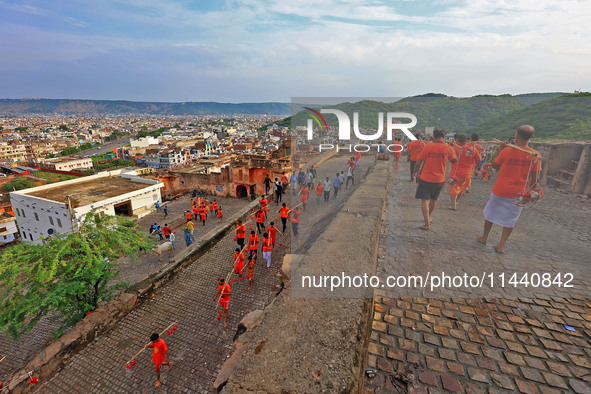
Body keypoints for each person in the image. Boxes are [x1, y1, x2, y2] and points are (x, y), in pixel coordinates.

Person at [477, 125, 541, 253]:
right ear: (532, 137)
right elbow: (534, 178)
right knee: (511, 219)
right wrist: (531, 193)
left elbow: (494, 165)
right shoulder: (536, 155)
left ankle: (484, 237)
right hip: (519, 193)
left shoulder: (507, 151)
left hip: (501, 189)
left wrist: (501, 149)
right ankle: (501, 245)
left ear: (516, 135)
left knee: (490, 213)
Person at [412, 128, 457, 230]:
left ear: (433, 136)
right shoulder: (448, 148)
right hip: (440, 179)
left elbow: (419, 161)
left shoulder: (428, 146)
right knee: (434, 199)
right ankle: (428, 217)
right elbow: (454, 161)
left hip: (426, 177)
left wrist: (414, 172)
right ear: (444, 137)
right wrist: (453, 148)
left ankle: (427, 222)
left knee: (424, 200)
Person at [448, 134, 481, 210]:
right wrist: (476, 166)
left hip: (455, 172)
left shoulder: (455, 148)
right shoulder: (473, 149)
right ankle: (456, 202)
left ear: (457, 140)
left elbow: (448, 156)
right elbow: (478, 160)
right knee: (462, 188)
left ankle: (453, 205)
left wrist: (451, 144)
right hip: (467, 173)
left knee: (453, 187)